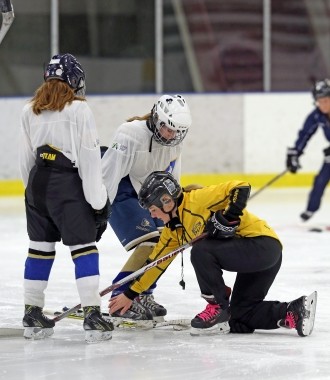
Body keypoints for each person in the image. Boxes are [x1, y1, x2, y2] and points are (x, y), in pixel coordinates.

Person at [109, 171, 317, 337]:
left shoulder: (198, 200)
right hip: (254, 257)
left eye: (153, 209)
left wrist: (229, 217)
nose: (151, 215)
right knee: (240, 316)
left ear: (167, 201)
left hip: (263, 246)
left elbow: (240, 186)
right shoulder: (173, 232)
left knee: (201, 251)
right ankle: (294, 311)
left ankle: (216, 306)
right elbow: (156, 264)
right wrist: (130, 294)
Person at [19, 53, 113, 343]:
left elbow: (26, 161)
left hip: (37, 185)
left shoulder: (29, 110)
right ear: (75, 81)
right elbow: (89, 160)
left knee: (40, 248)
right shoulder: (78, 110)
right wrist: (98, 204)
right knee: (84, 248)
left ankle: (32, 312)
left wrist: (33, 199)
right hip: (66, 186)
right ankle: (93, 315)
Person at [102, 94, 192, 321]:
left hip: (148, 191)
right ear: (155, 118)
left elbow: (173, 178)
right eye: (167, 129)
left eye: (177, 132)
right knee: (148, 240)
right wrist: (99, 209)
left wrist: (176, 211)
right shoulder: (129, 133)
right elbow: (109, 174)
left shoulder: (175, 142)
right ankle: (119, 297)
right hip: (121, 188)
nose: (172, 136)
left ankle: (142, 292)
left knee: (167, 241)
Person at [286, 78, 330, 222]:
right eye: (319, 101)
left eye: (326, 100)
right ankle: (311, 209)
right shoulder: (317, 115)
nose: (323, 104)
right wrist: (295, 153)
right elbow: (305, 134)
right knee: (320, 180)